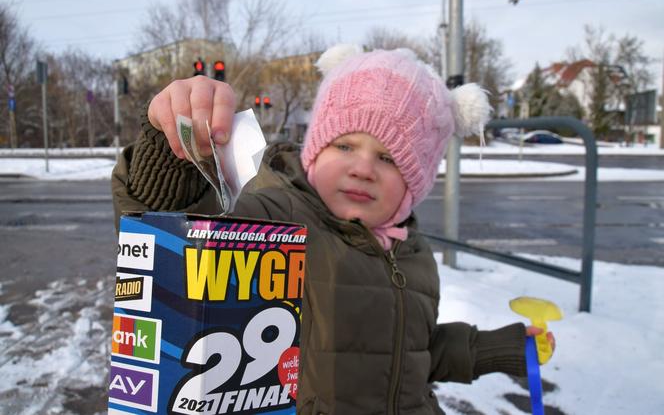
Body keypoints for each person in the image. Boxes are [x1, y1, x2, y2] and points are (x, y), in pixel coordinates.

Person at [112, 44, 554, 415]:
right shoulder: (276, 218)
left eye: (389, 158)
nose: (363, 168)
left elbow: (410, 353)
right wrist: (171, 155)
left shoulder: (413, 252)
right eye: (345, 145)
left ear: (416, 180)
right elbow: (174, 235)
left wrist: (497, 349)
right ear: (316, 150)